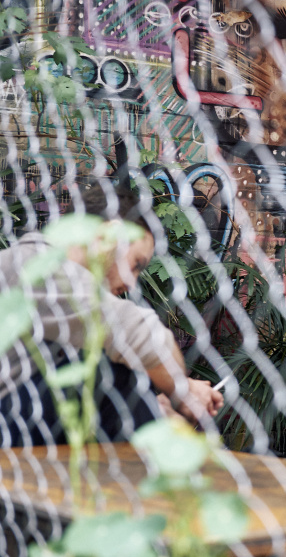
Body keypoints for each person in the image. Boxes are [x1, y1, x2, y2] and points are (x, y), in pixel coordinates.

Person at [0, 182, 223, 447]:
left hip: (17, 419)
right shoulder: (40, 267)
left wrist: (153, 403)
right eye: (136, 264)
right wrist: (184, 391)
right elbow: (143, 334)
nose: (131, 283)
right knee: (110, 365)